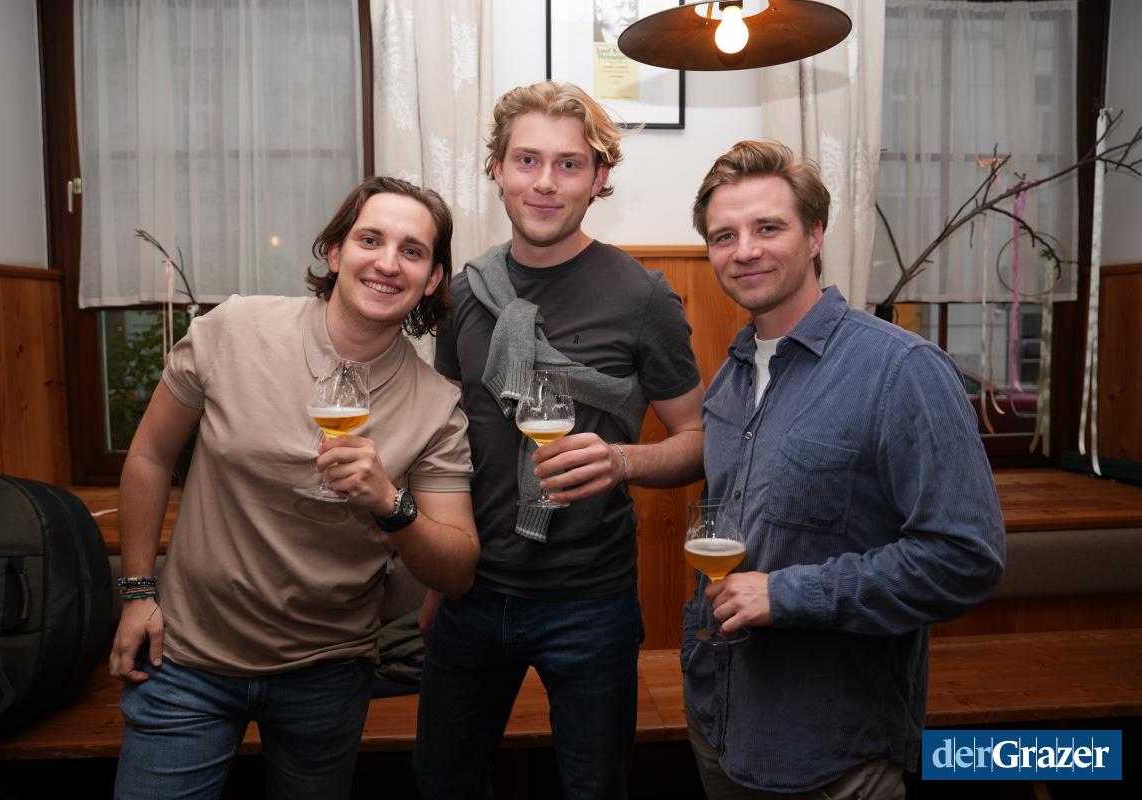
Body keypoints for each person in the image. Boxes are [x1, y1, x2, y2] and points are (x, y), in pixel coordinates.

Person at [109, 176, 480, 800]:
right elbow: (149, 455)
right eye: (370, 240)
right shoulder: (233, 329)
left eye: (413, 251)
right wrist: (138, 593)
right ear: (334, 252)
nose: (388, 263)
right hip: (186, 661)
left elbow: (459, 569)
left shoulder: (437, 406)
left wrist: (391, 505)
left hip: (327, 677)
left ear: (432, 279)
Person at [683, 139, 1007, 799]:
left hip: (833, 751)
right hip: (719, 726)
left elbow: (965, 557)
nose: (744, 250)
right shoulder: (730, 379)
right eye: (724, 236)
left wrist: (787, 594)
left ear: (815, 235)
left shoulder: (901, 370)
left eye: (768, 227)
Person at [412, 81, 705, 800]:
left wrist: (623, 460)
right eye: (527, 160)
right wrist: (438, 582)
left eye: (569, 164)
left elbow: (701, 438)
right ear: (497, 169)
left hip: (591, 604)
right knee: (442, 781)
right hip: (471, 593)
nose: (545, 182)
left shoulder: (643, 297)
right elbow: (445, 445)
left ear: (599, 178)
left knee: (595, 788)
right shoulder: (464, 293)